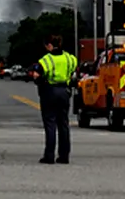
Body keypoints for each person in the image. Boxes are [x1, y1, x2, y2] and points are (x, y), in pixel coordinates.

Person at [29, 34, 77, 164]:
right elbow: (73, 71)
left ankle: (49, 156)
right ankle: (64, 156)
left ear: (49, 45)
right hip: (65, 92)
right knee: (64, 124)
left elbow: (36, 76)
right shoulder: (70, 58)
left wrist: (40, 81)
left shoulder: (46, 59)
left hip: (50, 91)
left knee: (50, 124)